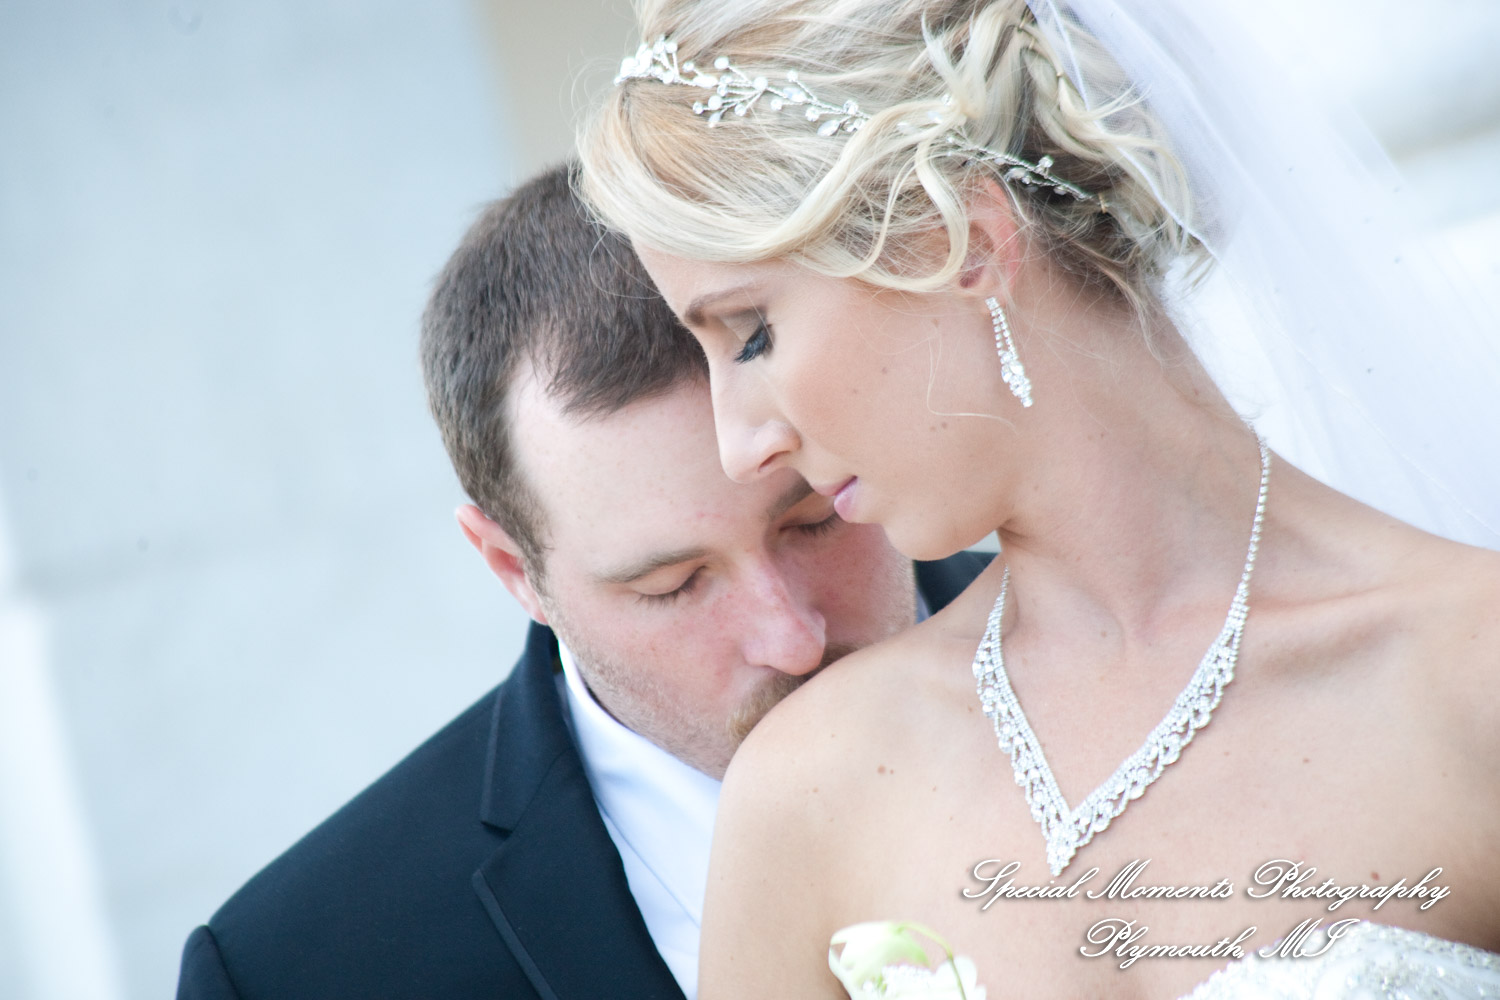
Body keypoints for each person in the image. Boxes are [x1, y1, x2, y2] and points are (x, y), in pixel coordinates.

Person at [579, 0, 1500, 997]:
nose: (741, 443)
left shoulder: (1468, 675)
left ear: (964, 242)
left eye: (751, 333)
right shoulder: (810, 788)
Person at [172, 163, 989, 1000]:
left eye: (814, 520)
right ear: (514, 571)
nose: (792, 637)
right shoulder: (297, 970)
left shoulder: (1124, 665)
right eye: (673, 584)